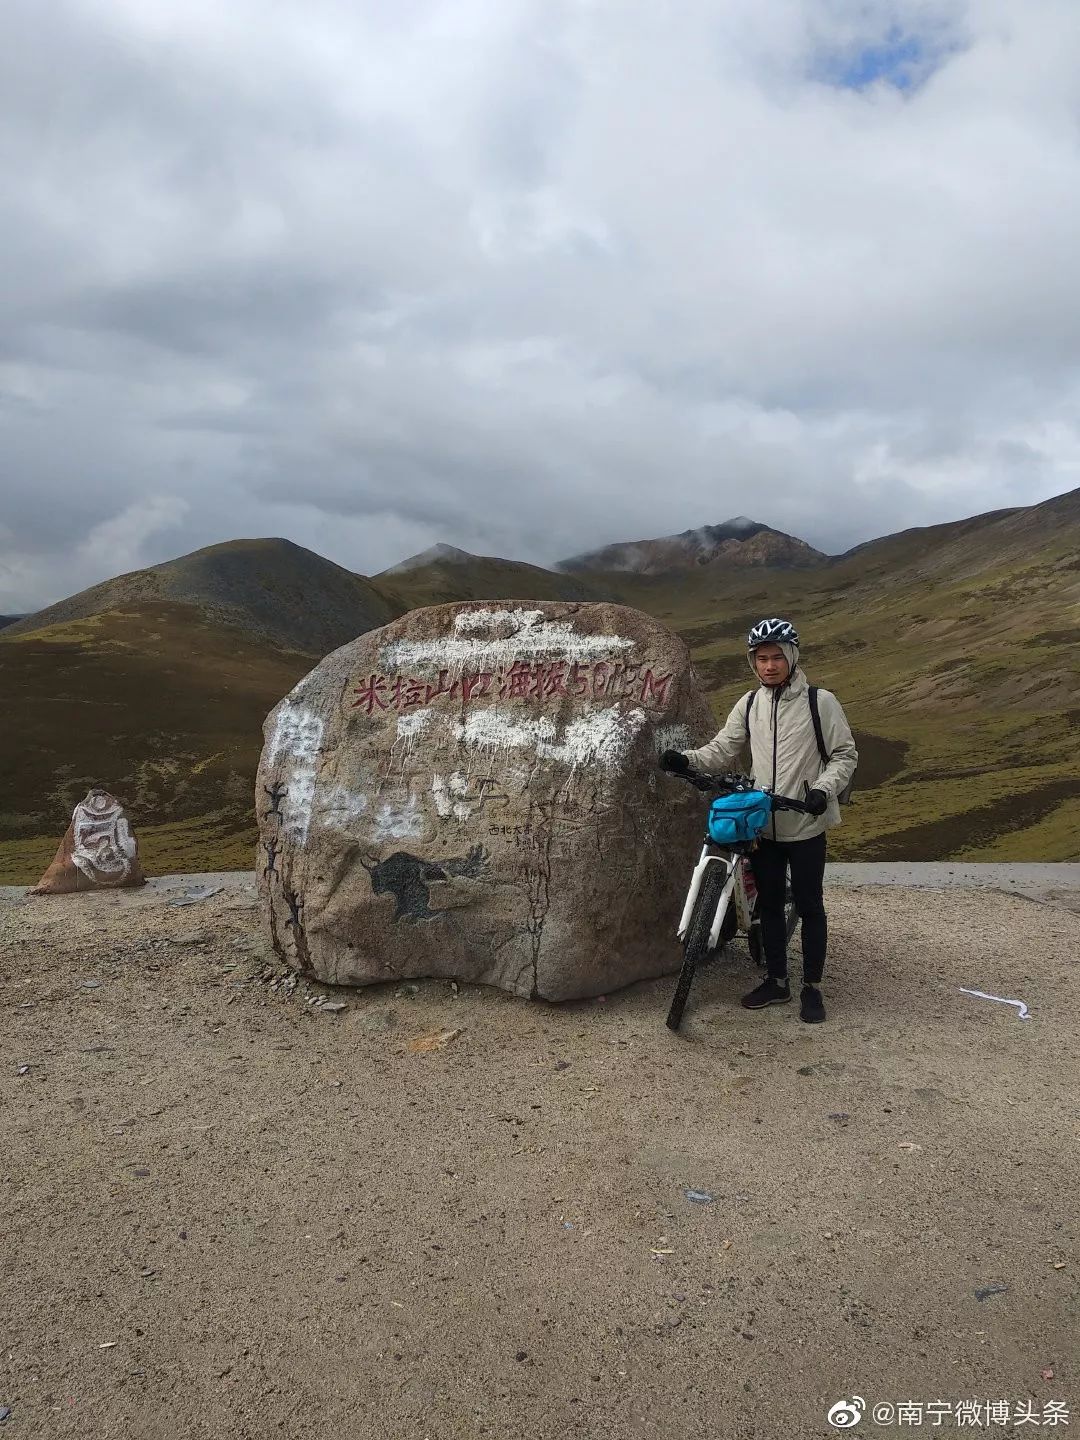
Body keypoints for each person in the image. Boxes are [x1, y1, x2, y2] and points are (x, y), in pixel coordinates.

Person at [660, 618, 857, 1024]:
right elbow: (723, 747)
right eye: (761, 659)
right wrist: (687, 760)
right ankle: (778, 980)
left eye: (776, 657)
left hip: (804, 823)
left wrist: (823, 789)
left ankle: (812, 988)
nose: (769, 666)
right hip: (763, 823)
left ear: (792, 657)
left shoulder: (821, 703)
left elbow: (844, 755)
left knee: (809, 904)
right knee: (768, 903)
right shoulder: (750, 704)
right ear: (753, 663)